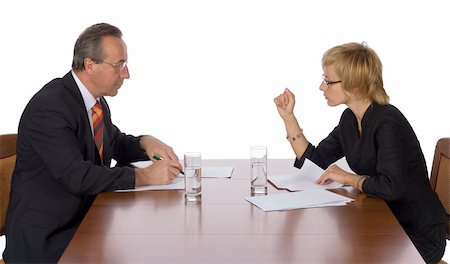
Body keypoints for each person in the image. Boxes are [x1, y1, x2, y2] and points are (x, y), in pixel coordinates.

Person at [2, 23, 183, 263]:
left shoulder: (94, 102)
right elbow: (77, 176)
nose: (126, 74)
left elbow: (113, 142)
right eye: (119, 65)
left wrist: (145, 142)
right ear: (90, 65)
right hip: (47, 238)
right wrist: (146, 177)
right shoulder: (49, 107)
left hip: (83, 220)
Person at [274, 42, 447, 263]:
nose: (321, 87)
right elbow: (315, 162)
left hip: (415, 234)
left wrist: (347, 177)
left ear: (354, 85)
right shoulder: (349, 120)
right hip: (385, 225)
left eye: (328, 81)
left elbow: (390, 187)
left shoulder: (388, 122)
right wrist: (289, 118)